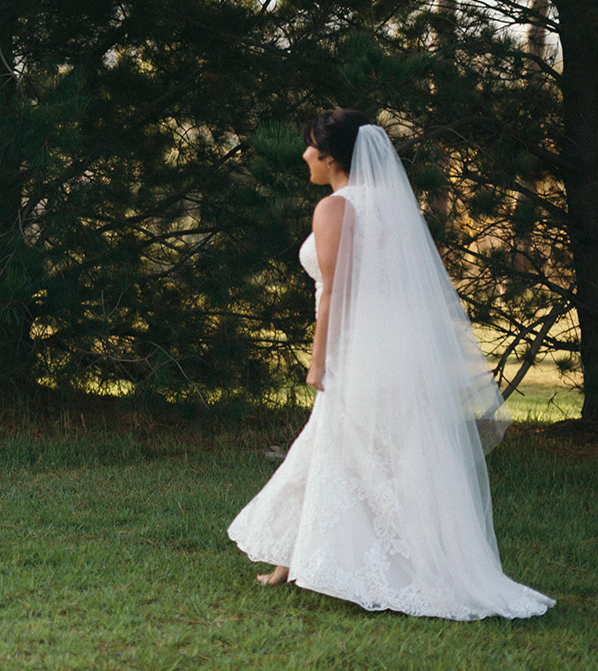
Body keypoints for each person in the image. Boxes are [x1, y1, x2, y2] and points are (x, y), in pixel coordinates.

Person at [228, 110, 553, 620]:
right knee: (348, 449)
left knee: (352, 452)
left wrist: (318, 361)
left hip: (355, 347)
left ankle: (371, 565)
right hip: (389, 349)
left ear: (330, 157)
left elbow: (333, 290)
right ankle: (294, 561)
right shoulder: (391, 206)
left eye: (310, 148)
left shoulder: (336, 208)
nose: (304, 156)